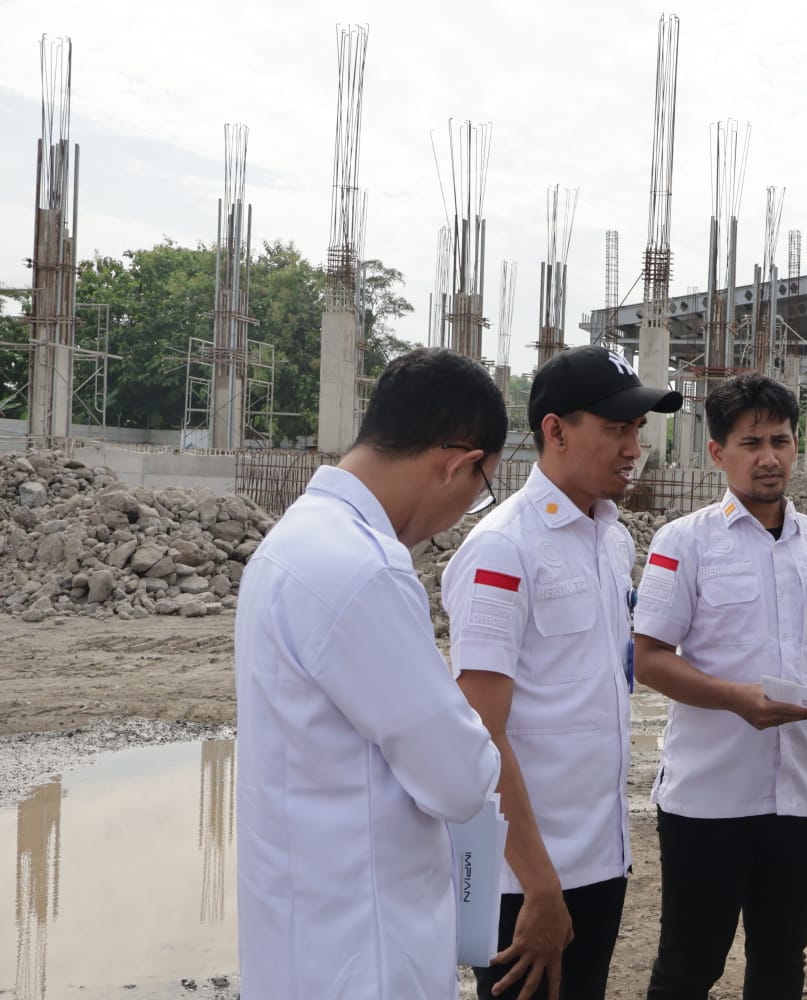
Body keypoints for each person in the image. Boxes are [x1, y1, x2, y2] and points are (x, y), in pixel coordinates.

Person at [235, 347, 507, 999]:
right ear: (457, 463)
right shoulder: (364, 570)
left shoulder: (292, 542)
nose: (463, 512)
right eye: (479, 492)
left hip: (304, 937)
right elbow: (460, 780)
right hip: (367, 953)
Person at [632, 373, 807, 1000]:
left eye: (781, 441)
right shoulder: (683, 542)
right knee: (689, 966)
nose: (769, 457)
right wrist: (736, 700)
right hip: (708, 800)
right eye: (751, 443)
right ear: (718, 452)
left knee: (781, 963)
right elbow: (649, 659)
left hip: (801, 798)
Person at [443, 345, 682, 1000]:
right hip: (523, 878)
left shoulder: (611, 539)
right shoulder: (504, 548)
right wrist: (539, 885)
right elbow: (479, 735)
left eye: (638, 429)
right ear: (555, 430)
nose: (633, 448)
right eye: (616, 429)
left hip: (599, 860)